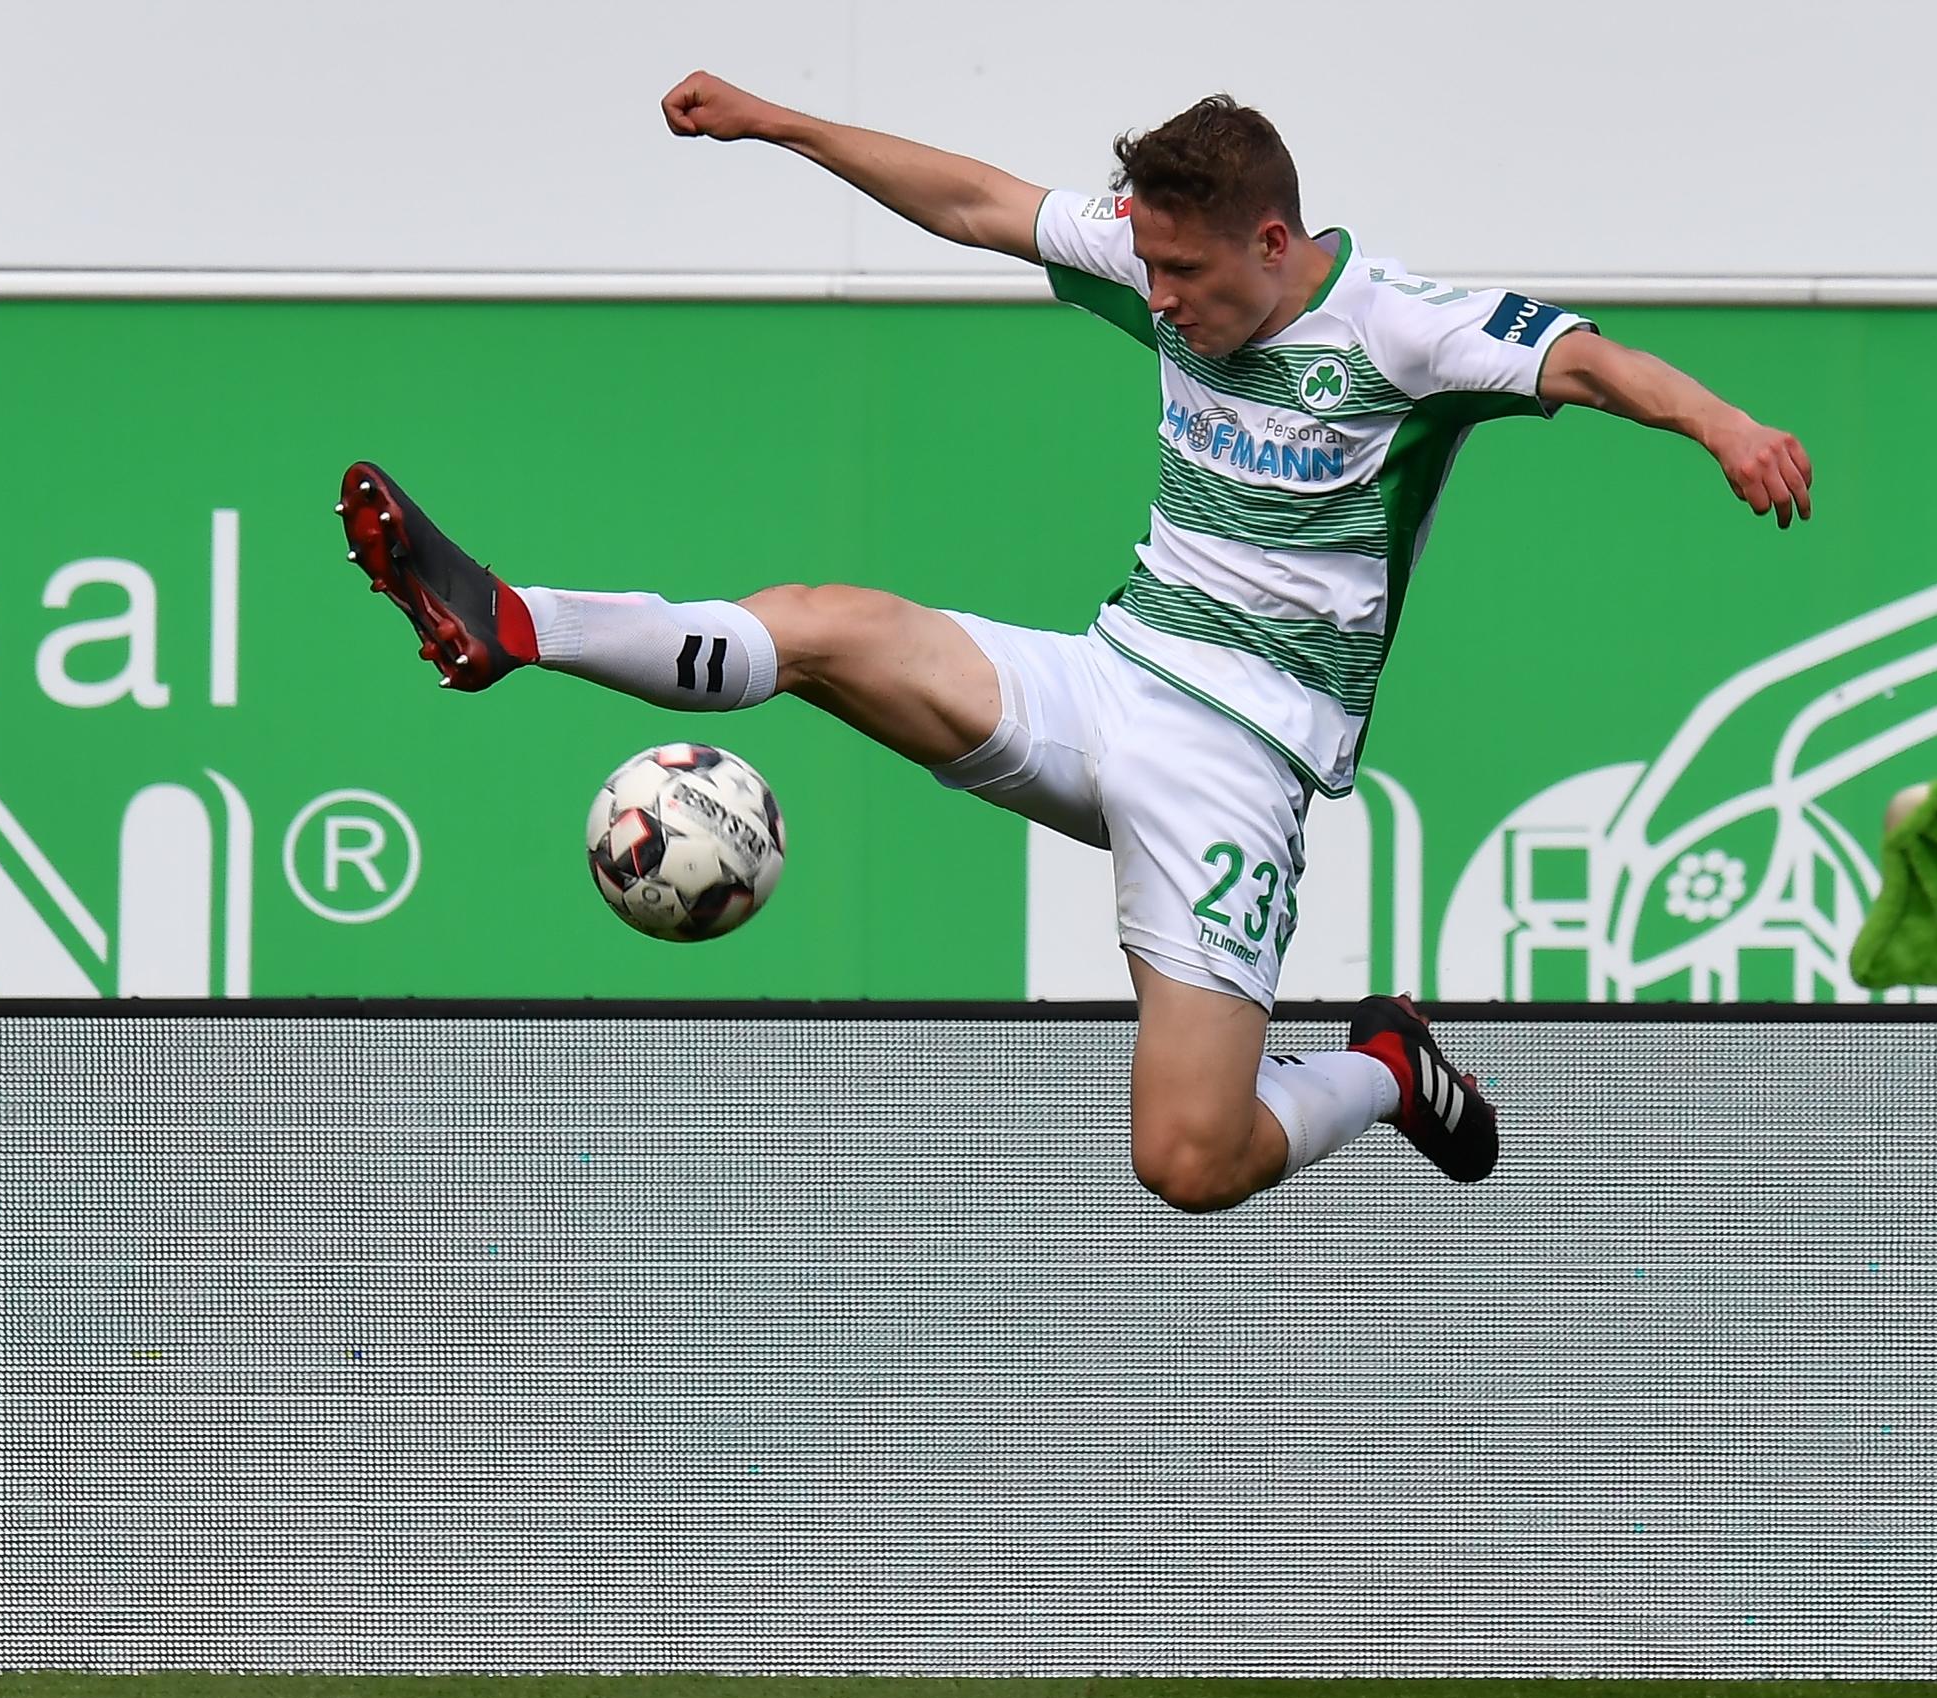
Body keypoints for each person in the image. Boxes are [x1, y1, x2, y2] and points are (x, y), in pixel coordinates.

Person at [335, 78, 1816, 1212]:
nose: (1156, 297)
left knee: (1188, 1159)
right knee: (837, 629)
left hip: (1241, 764)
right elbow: (978, 201)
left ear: (1274, 240)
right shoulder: (1171, 274)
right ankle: (516, 623)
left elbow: (1589, 360)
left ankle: (1383, 1069)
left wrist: (1728, 426)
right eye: (1147, 268)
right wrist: (777, 124)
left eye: (1183, 273)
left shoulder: (1402, 335)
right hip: (1110, 676)